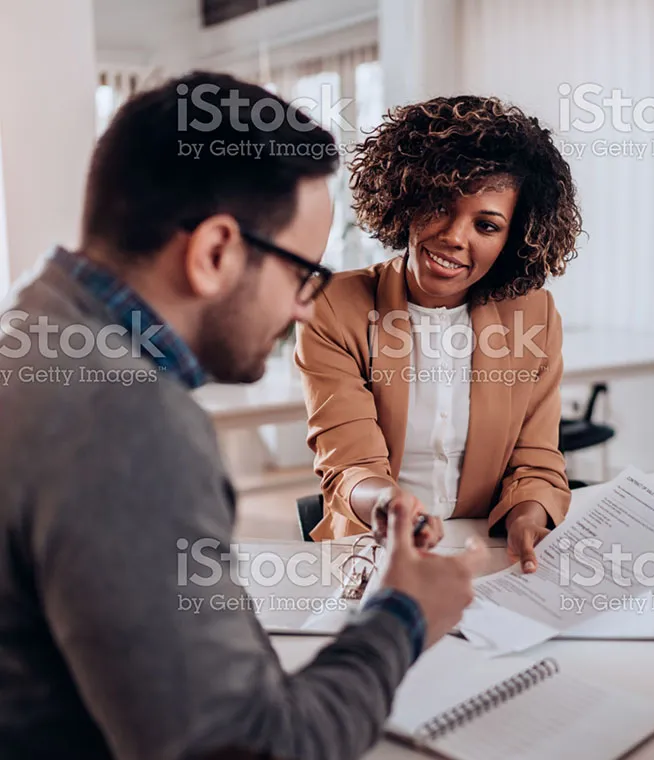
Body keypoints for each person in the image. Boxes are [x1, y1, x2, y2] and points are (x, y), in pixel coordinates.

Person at [0, 72, 487, 760]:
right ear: (215, 252)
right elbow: (247, 749)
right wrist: (404, 615)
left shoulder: (31, 330)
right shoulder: (125, 423)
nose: (306, 308)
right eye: (301, 274)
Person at [295, 95, 583, 572]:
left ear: (513, 240)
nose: (454, 236)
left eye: (486, 225)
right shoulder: (333, 307)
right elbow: (350, 465)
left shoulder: (533, 314)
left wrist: (529, 515)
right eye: (439, 205)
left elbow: (535, 461)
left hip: (490, 555)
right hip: (376, 547)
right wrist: (393, 509)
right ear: (406, 199)